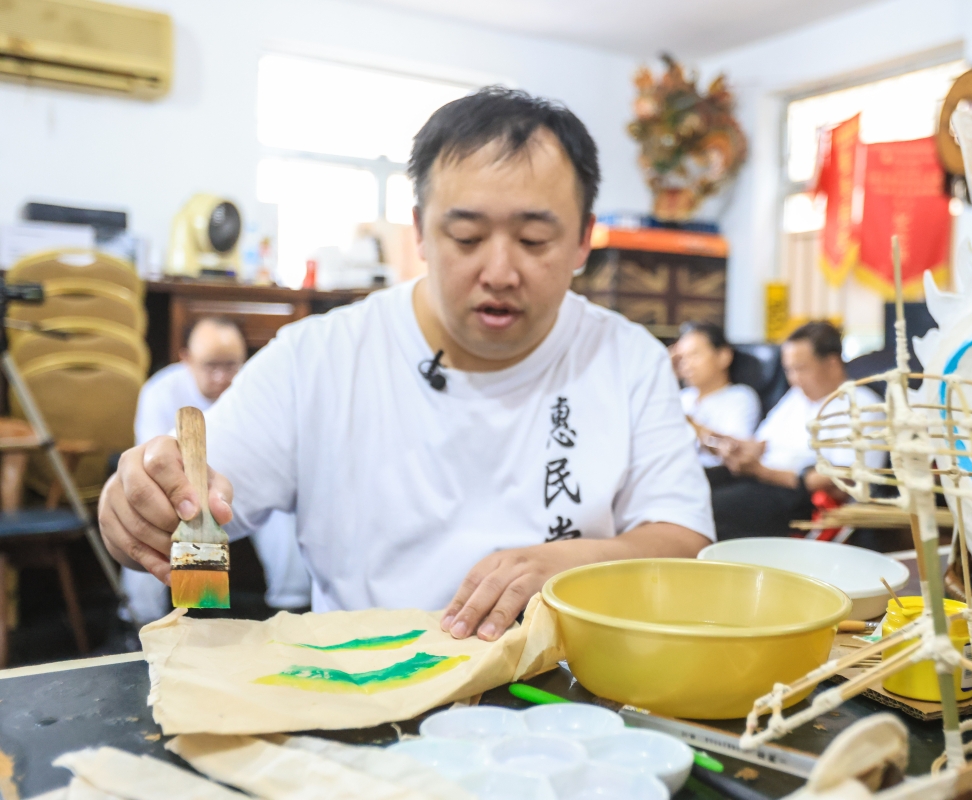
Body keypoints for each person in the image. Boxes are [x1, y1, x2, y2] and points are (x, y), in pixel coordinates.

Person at [99, 87, 714, 642]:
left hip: (568, 693)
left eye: (533, 241)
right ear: (420, 231)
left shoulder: (627, 357)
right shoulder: (318, 358)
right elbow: (196, 504)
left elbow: (685, 542)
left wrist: (569, 564)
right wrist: (139, 506)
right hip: (363, 691)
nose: (499, 272)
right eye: (467, 237)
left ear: (584, 238)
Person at [121, 317, 311, 625]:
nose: (222, 377)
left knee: (283, 513)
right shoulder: (160, 392)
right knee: (143, 517)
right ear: (186, 358)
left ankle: (292, 612)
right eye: (210, 366)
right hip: (181, 493)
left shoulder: (256, 391)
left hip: (243, 486)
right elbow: (148, 466)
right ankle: (139, 621)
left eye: (231, 365)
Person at [709, 321, 883, 540]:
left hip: (801, 497)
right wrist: (731, 447)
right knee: (698, 485)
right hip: (763, 477)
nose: (793, 378)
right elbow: (762, 443)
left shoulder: (863, 406)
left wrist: (763, 472)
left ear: (832, 364)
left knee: (712, 508)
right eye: (788, 370)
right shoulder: (797, 397)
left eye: (801, 369)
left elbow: (841, 480)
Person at [674, 322, 760, 484]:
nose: (686, 365)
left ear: (723, 356)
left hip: (715, 479)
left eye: (695, 355)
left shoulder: (739, 397)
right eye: (682, 358)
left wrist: (693, 426)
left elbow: (737, 450)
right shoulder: (682, 397)